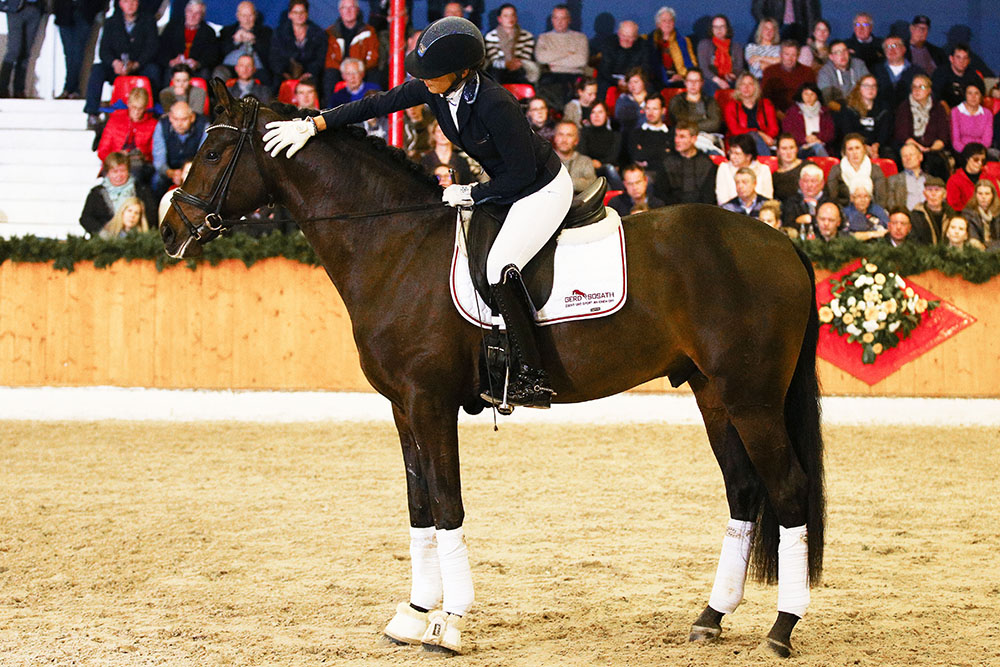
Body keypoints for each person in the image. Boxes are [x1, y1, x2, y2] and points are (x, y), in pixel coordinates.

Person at [263, 17, 572, 409]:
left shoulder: (496, 104)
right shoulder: (436, 89)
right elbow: (377, 103)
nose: (423, 79)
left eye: (432, 73)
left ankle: (531, 374)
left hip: (541, 189)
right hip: (505, 186)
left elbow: (523, 174)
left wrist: (472, 192)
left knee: (498, 266)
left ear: (462, 72)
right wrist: (314, 124)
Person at [82, 0, 160, 127]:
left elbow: (152, 48)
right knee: (97, 69)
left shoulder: (148, 21)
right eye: (126, 1)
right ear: (120, 4)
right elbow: (104, 51)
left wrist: (137, 64)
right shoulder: (111, 22)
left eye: (133, 1)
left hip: (139, 66)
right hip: (117, 68)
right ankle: (92, 113)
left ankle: (154, 112)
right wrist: (114, 63)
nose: (130, 4)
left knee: (154, 70)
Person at [80, 152, 157, 237]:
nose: (119, 175)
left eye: (123, 171)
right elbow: (85, 219)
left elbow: (152, 216)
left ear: (128, 171)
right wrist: (103, 233)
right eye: (115, 171)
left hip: (135, 238)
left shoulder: (141, 190)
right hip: (104, 239)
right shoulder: (96, 193)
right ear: (107, 173)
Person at [96, 86, 158, 184]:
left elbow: (155, 154)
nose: (136, 112)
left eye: (140, 109)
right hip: (115, 162)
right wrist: (117, 157)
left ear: (146, 107)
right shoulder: (115, 121)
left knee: (136, 170)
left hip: (141, 165)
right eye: (134, 107)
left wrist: (142, 156)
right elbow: (102, 151)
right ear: (128, 104)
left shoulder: (153, 125)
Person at [322, 0, 379, 104]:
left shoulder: (368, 31)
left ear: (357, 10)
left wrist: (357, 69)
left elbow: (373, 57)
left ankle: (374, 106)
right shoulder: (330, 32)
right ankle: (329, 107)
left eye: (352, 7)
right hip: (340, 70)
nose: (348, 11)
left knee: (374, 74)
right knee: (330, 75)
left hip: (362, 68)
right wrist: (345, 71)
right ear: (340, 11)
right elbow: (330, 59)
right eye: (344, 8)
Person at [894, 73, 950, 178]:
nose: (917, 90)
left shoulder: (938, 108)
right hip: (910, 146)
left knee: (936, 160)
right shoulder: (904, 107)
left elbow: (942, 137)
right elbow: (902, 135)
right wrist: (919, 148)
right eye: (914, 87)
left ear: (929, 90)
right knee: (911, 156)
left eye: (921, 87)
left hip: (932, 148)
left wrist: (931, 149)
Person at [534, 4, 589, 108]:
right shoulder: (544, 38)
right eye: (556, 18)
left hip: (574, 76)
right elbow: (541, 58)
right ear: (552, 20)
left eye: (563, 18)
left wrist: (553, 60)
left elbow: (581, 60)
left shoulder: (580, 38)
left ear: (569, 20)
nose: (559, 22)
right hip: (551, 76)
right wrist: (568, 53)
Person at [270, 0, 327, 94]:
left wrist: (309, 73)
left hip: (309, 74)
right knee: (277, 83)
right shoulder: (279, 33)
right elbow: (274, 57)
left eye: (302, 12)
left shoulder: (318, 33)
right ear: (289, 15)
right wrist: (284, 73)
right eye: (295, 12)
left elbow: (320, 58)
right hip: (285, 73)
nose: (299, 15)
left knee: (316, 82)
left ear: (307, 14)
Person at [152, 100, 207, 196]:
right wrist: (171, 173)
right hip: (169, 170)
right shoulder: (162, 125)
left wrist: (187, 174)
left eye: (184, 119)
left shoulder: (203, 126)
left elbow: (203, 158)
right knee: (157, 179)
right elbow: (159, 159)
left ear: (192, 118)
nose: (179, 124)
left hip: (193, 170)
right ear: (170, 117)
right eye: (176, 119)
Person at [654, 121, 717, 205]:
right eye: (676, 135)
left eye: (682, 137)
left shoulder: (706, 163)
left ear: (693, 139)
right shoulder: (667, 162)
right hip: (673, 209)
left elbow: (708, 195)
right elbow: (661, 193)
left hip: (701, 209)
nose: (676, 140)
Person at [157, 0, 220, 82]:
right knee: (168, 72)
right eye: (190, 11)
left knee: (205, 73)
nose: (192, 16)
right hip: (175, 66)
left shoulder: (209, 32)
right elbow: (162, 49)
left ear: (202, 15)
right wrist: (170, 61)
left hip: (196, 69)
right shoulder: (172, 27)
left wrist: (198, 64)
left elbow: (212, 55)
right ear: (185, 12)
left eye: (197, 13)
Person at [53, 0, 105, 99]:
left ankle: (71, 88)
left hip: (86, 12)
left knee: (78, 53)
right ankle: (71, 89)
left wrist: (97, 9)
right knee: (69, 53)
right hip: (64, 12)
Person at [216, 1, 273, 86]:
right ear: (238, 16)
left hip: (255, 69)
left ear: (255, 15)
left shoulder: (266, 32)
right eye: (243, 16)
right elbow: (219, 53)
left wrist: (254, 41)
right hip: (231, 67)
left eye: (250, 16)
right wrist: (235, 42)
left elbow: (269, 55)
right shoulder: (227, 31)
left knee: (266, 77)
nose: (247, 20)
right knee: (219, 74)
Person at [825, 133, 887, 208]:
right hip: (844, 210)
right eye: (850, 149)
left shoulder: (875, 169)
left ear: (864, 149)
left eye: (857, 148)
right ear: (844, 152)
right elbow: (832, 198)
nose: (855, 152)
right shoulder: (836, 170)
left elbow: (881, 199)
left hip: (871, 210)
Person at [723, 73, 779, 156]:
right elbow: (735, 130)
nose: (746, 87)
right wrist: (759, 134)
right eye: (743, 84)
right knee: (753, 135)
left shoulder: (766, 104)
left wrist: (764, 138)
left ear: (755, 87)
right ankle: (765, 160)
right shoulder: (731, 106)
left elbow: (774, 129)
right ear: (738, 87)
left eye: (750, 84)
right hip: (739, 142)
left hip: (765, 142)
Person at [839, 75, 892, 158]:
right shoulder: (849, 108)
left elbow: (884, 131)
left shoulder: (884, 108)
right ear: (859, 88)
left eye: (873, 86)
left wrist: (876, 146)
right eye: (866, 86)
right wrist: (864, 147)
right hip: (855, 144)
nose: (870, 89)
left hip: (877, 146)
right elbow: (848, 131)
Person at [483, 3, 537, 85]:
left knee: (524, 73)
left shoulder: (527, 36)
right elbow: (494, 59)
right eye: (506, 16)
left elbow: (525, 57)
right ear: (499, 19)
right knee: (494, 72)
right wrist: (506, 64)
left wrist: (515, 64)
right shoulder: (491, 36)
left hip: (520, 67)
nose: (510, 19)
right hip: (499, 69)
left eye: (512, 15)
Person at [647, 6, 697, 90]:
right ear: (658, 24)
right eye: (664, 21)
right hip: (656, 79)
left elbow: (692, 65)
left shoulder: (684, 41)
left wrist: (682, 76)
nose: (668, 23)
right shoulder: (649, 41)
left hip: (679, 78)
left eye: (670, 20)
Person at [715, 133, 773, 204]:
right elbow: (722, 199)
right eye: (731, 152)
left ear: (748, 156)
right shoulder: (724, 168)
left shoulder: (764, 170)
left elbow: (768, 198)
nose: (732, 157)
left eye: (737, 154)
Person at [0, 0, 42, 98]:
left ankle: (19, 89)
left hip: (35, 8)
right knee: (14, 50)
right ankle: (2, 88)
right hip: (15, 8)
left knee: (26, 53)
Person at [597, 20, 649, 97]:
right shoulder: (609, 43)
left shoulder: (643, 46)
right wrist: (617, 81)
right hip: (611, 79)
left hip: (634, 79)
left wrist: (631, 81)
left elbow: (645, 68)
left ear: (635, 37)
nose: (626, 40)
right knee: (602, 86)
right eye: (623, 36)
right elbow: (605, 70)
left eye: (630, 37)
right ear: (618, 34)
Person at [761, 41, 816, 114]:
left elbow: (812, 97)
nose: (790, 59)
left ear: (798, 56)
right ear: (781, 55)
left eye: (793, 55)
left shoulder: (807, 72)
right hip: (775, 113)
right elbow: (765, 98)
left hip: (802, 112)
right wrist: (777, 113)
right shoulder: (770, 71)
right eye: (786, 54)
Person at [578, 101, 623, 189]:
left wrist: (599, 163)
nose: (596, 116)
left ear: (606, 115)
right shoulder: (583, 134)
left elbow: (613, 157)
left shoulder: (615, 135)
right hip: (587, 169)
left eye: (600, 112)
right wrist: (591, 163)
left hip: (607, 169)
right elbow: (582, 153)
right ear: (589, 115)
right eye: (593, 112)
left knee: (609, 168)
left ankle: (621, 194)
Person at [781, 81, 833, 157]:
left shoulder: (824, 112)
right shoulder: (793, 112)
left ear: (817, 96)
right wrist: (805, 139)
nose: (809, 97)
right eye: (806, 94)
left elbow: (830, 133)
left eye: (812, 94)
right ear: (801, 95)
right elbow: (788, 131)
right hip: (800, 147)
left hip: (821, 144)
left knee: (818, 146)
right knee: (817, 147)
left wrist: (817, 138)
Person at [872, 35, 920, 115]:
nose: (891, 50)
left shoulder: (917, 72)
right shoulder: (875, 71)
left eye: (895, 46)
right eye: (887, 47)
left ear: (904, 49)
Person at [697, 14, 743, 94]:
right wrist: (719, 81)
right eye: (715, 27)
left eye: (722, 26)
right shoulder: (704, 44)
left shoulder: (736, 47)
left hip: (731, 79)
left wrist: (733, 75)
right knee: (713, 88)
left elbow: (738, 67)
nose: (719, 30)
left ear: (727, 28)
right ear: (711, 29)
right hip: (711, 80)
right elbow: (703, 68)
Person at [816, 40, 869, 110]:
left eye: (845, 51)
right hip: (838, 109)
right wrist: (845, 112)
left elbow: (869, 88)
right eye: (837, 52)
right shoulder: (825, 72)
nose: (842, 55)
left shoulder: (859, 64)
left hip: (861, 106)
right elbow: (828, 100)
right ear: (831, 57)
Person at [781, 161, 831, 234]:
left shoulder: (830, 202)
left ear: (822, 183)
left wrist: (812, 219)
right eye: (806, 181)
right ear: (800, 183)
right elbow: (788, 226)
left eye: (813, 181)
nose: (809, 185)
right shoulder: (791, 202)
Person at [624, 93, 670, 171]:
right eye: (648, 108)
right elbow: (637, 158)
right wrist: (661, 153)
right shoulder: (635, 134)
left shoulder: (671, 134)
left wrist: (648, 161)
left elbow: (671, 161)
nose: (650, 113)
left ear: (663, 111)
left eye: (655, 109)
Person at [931, 44, 984, 111]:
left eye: (965, 58)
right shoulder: (940, 74)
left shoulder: (973, 76)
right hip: (945, 111)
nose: (961, 61)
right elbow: (936, 97)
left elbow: (981, 94)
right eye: (958, 57)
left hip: (968, 110)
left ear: (968, 61)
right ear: (951, 59)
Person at [421, 119, 475, 184]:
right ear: (433, 134)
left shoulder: (461, 161)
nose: (443, 134)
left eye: (446, 131)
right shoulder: (425, 160)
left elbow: (466, 184)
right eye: (439, 131)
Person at [552, 120, 597, 193]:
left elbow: (592, 185)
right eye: (561, 134)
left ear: (576, 141)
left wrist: (562, 182)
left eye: (569, 135)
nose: (564, 140)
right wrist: (579, 182)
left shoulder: (585, 161)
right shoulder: (546, 160)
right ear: (555, 138)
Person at [909, 176, 954, 244]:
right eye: (929, 190)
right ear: (924, 194)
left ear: (944, 194)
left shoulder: (951, 215)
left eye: (937, 190)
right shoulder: (916, 215)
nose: (933, 194)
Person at [750, 0, 820, 44]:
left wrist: (810, 35)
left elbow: (811, 13)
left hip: (799, 28)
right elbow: (757, 9)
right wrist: (768, 27)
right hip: (776, 27)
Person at [950, 84, 993, 154]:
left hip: (981, 152)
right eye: (970, 93)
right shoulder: (955, 112)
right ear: (965, 95)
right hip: (961, 151)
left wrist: (977, 153)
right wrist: (969, 153)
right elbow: (956, 141)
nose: (973, 97)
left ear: (981, 96)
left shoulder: (987, 114)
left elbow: (987, 141)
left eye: (976, 93)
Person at [946, 143, 987, 212]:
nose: (980, 163)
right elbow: (953, 205)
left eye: (983, 160)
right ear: (967, 159)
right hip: (963, 215)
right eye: (976, 159)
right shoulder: (954, 180)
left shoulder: (989, 178)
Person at [886, 143, 926, 211]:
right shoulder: (893, 181)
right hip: (905, 215)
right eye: (904, 156)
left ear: (920, 157)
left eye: (911, 155)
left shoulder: (931, 180)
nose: (908, 158)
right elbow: (891, 205)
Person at [961, 180, 1000, 249]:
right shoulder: (968, 213)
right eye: (980, 193)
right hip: (977, 251)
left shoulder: (998, 212)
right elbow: (973, 239)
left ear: (993, 195)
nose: (983, 197)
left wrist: (988, 246)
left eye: (987, 194)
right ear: (975, 195)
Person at [613, 68, 651, 136]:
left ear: (644, 82)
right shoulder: (623, 99)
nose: (632, 85)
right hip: (628, 134)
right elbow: (620, 117)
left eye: (636, 82)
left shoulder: (652, 99)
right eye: (630, 82)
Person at [772, 133, 803, 201]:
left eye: (791, 148)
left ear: (796, 149)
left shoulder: (808, 166)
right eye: (784, 148)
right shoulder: (775, 177)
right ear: (778, 151)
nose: (788, 152)